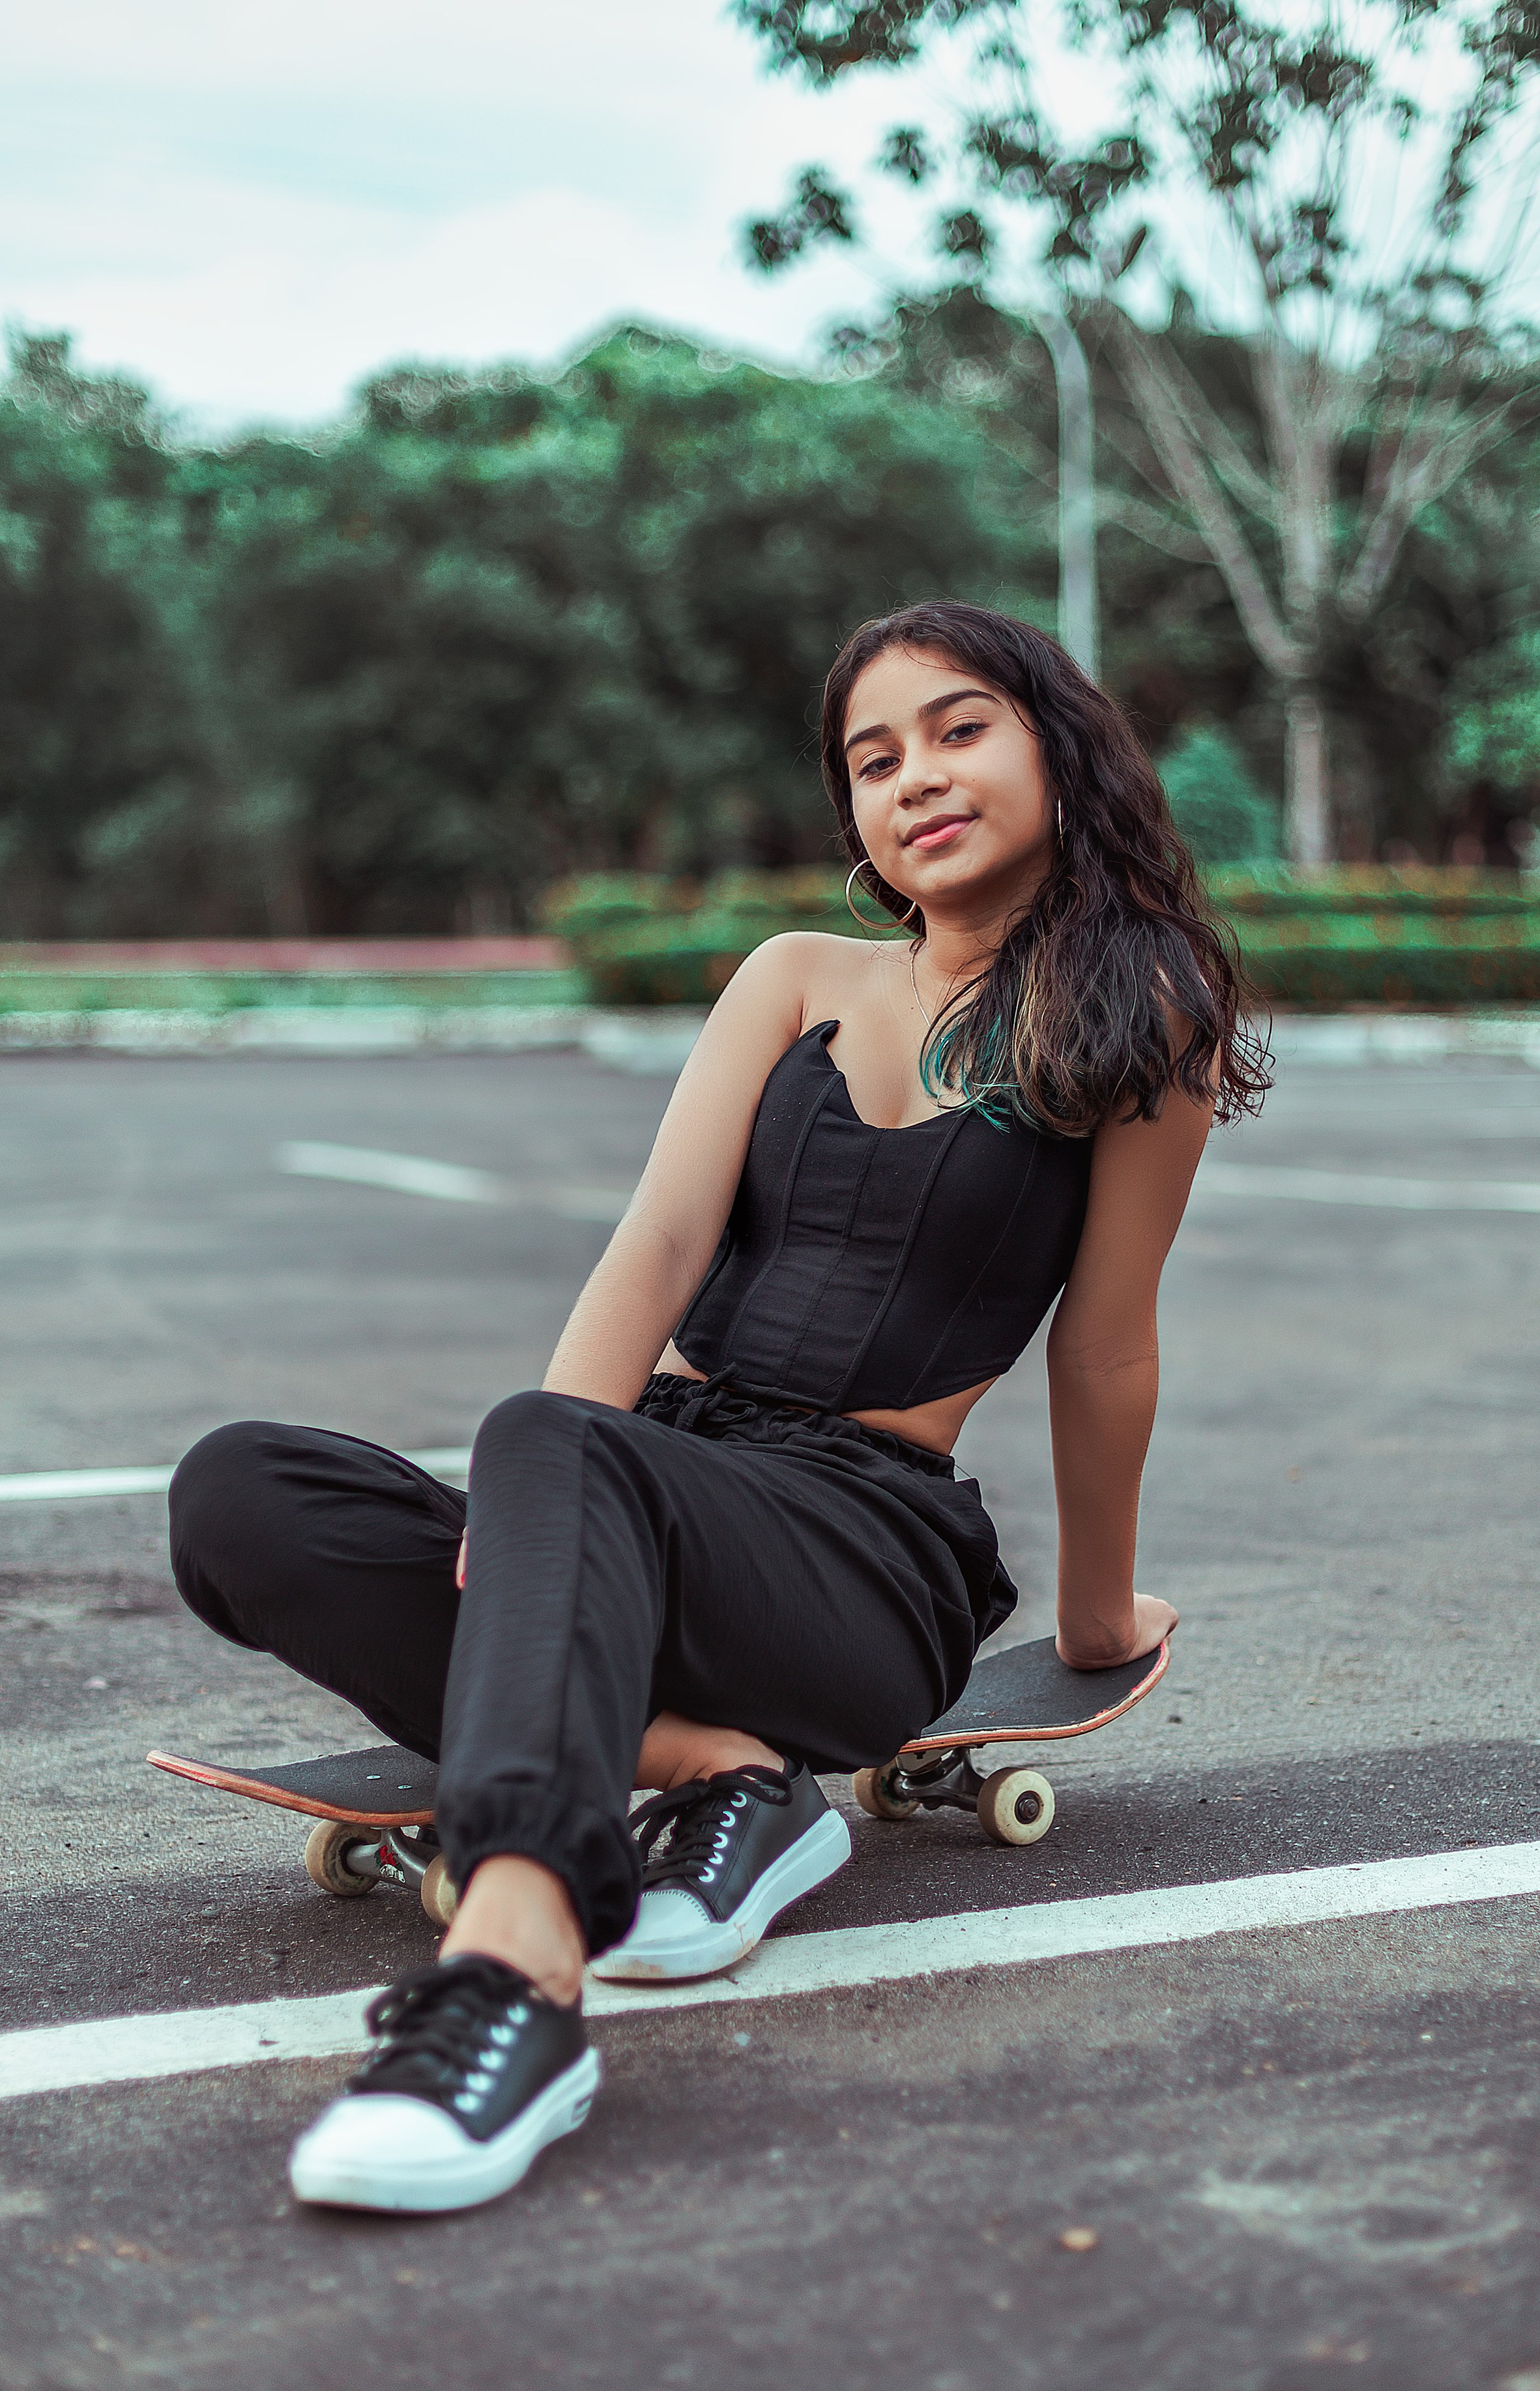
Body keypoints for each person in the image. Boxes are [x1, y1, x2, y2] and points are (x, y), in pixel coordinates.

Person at [168, 600, 1267, 2214]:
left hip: (857, 1546)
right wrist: (530, 1514)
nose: (914, 780)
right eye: (871, 759)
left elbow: (1103, 1347)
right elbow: (659, 1243)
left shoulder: (1139, 1007)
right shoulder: (792, 976)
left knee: (549, 1438)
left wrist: (1095, 1622)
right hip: (645, 1487)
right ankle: (714, 1769)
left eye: (959, 730)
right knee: (239, 1490)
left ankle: (510, 1984)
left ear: (1057, 745)